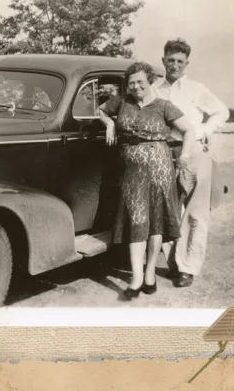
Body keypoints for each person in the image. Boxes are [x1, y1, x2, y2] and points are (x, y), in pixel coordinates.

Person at [99, 62, 195, 298]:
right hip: (132, 171)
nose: (135, 86)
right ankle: (136, 277)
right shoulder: (122, 102)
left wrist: (184, 156)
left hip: (160, 169)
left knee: (155, 223)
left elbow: (189, 130)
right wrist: (110, 123)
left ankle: (150, 272)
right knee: (136, 221)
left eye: (140, 81)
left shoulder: (163, 106)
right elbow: (100, 110)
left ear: (150, 80)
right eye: (131, 83)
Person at [153, 38, 230, 288]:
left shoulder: (197, 88)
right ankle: (175, 262)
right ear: (163, 60)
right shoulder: (154, 89)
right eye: (170, 60)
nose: (175, 65)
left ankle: (188, 268)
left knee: (196, 213)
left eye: (180, 61)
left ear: (187, 64)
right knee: (167, 210)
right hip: (165, 152)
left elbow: (222, 112)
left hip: (195, 152)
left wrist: (203, 131)